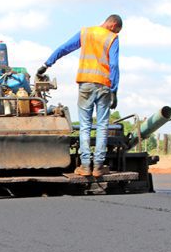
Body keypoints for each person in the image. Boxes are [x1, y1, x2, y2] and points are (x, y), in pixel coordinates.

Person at [37, 15, 122, 177]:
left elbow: (64, 48)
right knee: (102, 125)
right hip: (104, 85)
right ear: (113, 25)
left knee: (85, 126)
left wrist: (45, 65)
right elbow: (114, 64)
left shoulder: (86, 32)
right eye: (117, 29)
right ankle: (98, 167)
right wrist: (114, 90)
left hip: (86, 84)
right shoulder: (112, 38)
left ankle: (85, 166)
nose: (116, 32)